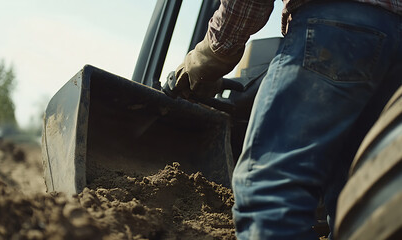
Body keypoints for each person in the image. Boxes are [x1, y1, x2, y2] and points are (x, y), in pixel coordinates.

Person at [172, 0, 402, 239]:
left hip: (334, 28)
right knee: (359, 199)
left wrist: (205, 58)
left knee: (270, 192)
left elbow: (245, 5)